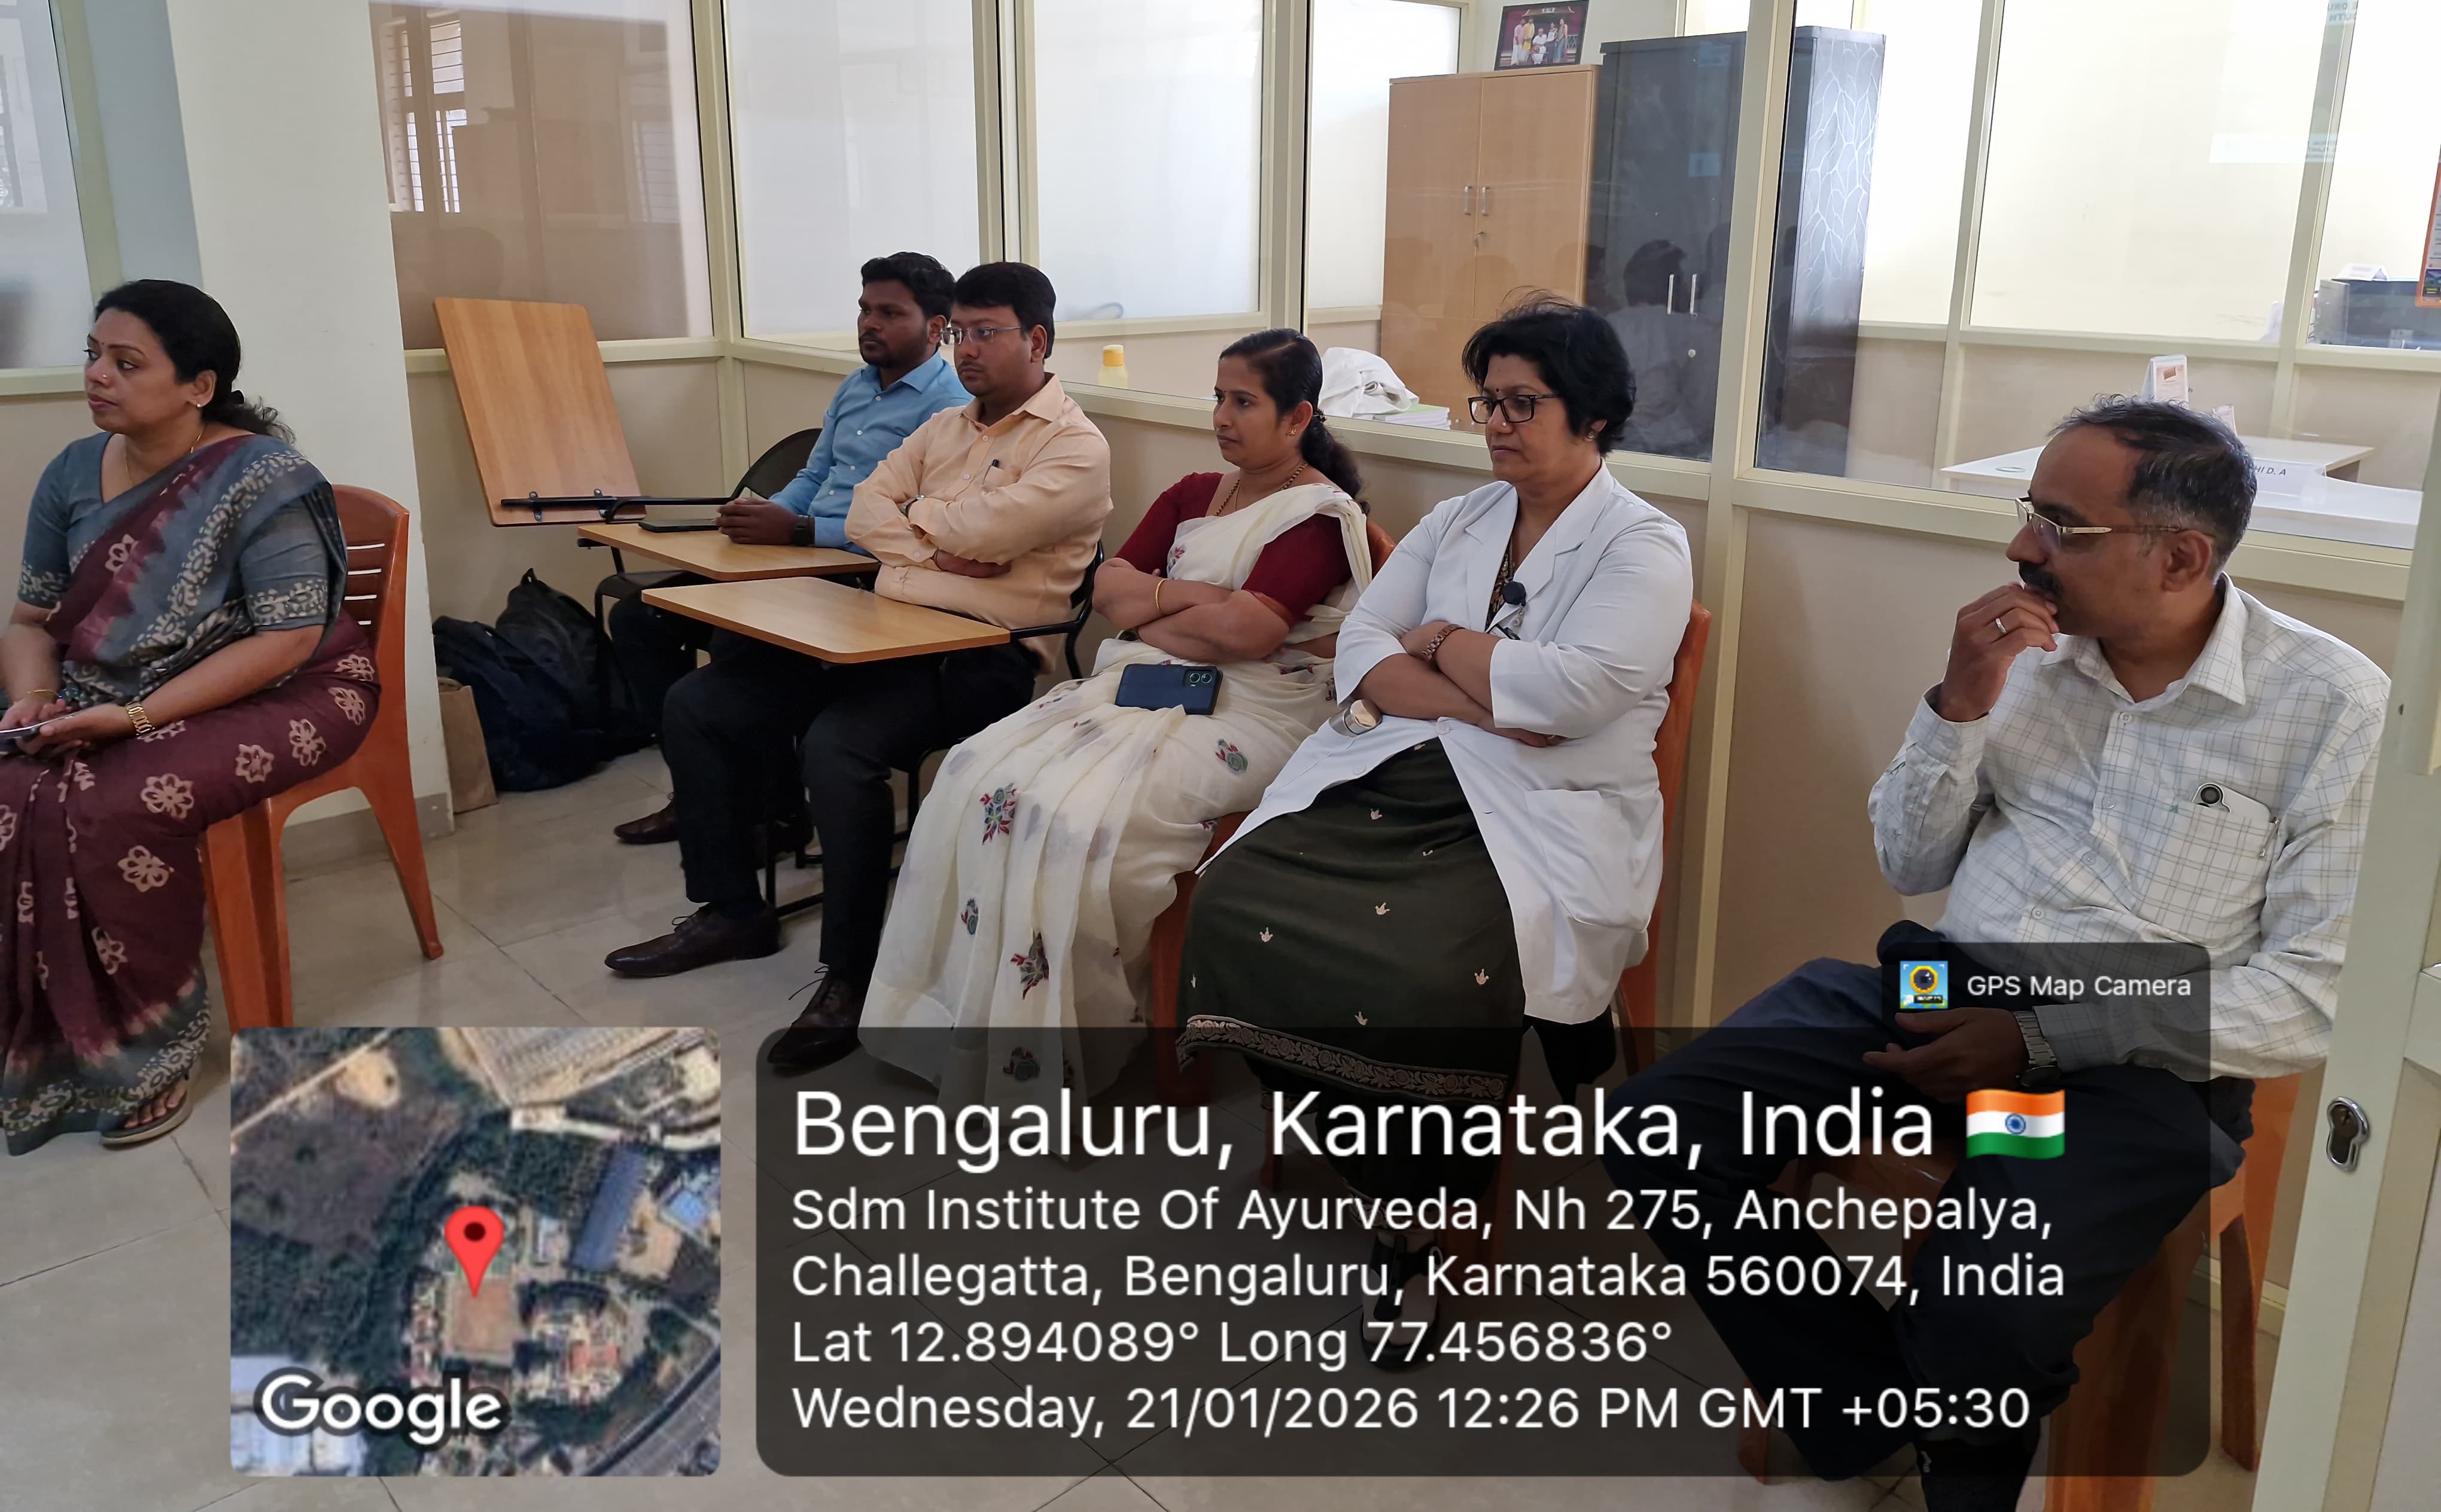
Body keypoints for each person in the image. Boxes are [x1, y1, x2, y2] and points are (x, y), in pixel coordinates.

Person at [1600, 399, 2388, 1511]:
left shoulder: (2331, 707)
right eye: (2031, 513)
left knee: (1989, 1299)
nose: (2023, 548)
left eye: (2064, 527)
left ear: (2180, 557)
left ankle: (1952, 1455)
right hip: (1941, 986)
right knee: (1653, 1128)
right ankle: (1869, 1406)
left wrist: (2040, 1038)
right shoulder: (2024, 658)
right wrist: (1958, 705)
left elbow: (2313, 995)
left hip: (2137, 1065)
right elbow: (1910, 859)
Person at [1176, 299, 1692, 1327]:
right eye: (1487, 402)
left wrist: (1444, 643)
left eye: (1523, 404)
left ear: (1593, 413)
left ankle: (1417, 1222)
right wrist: (1486, 696)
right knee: (1232, 898)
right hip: (1402, 765)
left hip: (1547, 806)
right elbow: (1364, 652)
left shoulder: (1644, 545)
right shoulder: (1460, 519)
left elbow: (1574, 698)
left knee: (1426, 973)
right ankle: (1371, 1151)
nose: (1496, 424)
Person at [861, 330, 1375, 1103]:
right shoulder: (1194, 492)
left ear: (1298, 417)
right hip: (1142, 681)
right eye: (1218, 397)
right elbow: (1109, 592)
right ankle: (955, 1020)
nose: (1222, 417)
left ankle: (1072, 1040)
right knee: (973, 773)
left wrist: (1158, 613)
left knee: (1080, 822)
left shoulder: (1318, 516)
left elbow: (1248, 637)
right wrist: (1193, 604)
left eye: (1244, 402)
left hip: (1257, 709)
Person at [605, 263, 1111, 1009]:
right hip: (877, 628)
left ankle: (851, 974)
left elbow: (981, 534)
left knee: (837, 749)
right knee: (699, 703)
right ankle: (734, 914)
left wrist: (916, 529)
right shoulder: (946, 427)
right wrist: (940, 546)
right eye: (960, 332)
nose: (966, 348)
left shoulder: (1075, 447)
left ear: (1036, 341)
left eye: (985, 332)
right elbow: (871, 509)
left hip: (978, 653)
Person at [1, 281, 377, 1154]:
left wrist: (132, 717)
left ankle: (148, 1052)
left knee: (117, 802)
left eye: (126, 363)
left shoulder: (263, 479)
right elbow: (30, 622)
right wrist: (33, 697)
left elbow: (288, 639)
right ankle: (46, 1028)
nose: (97, 376)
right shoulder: (72, 472)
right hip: (112, 685)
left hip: (296, 687)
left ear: (198, 387)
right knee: (18, 781)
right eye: (93, 354)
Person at [607, 251, 964, 841]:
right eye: (865, 310)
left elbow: (914, 524)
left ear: (935, 328)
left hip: (855, 572)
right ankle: (699, 794)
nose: (869, 324)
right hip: (799, 552)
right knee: (639, 619)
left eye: (890, 313)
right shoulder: (856, 387)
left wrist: (800, 532)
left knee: (738, 638)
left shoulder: (947, 406)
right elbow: (815, 475)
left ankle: (771, 813)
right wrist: (769, 513)